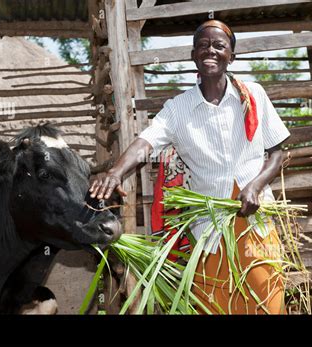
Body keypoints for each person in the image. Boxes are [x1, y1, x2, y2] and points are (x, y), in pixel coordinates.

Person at [89, 19, 291, 314]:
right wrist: (116, 171)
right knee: (215, 304)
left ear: (231, 56)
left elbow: (277, 154)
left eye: (219, 46)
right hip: (209, 230)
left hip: (256, 223)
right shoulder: (177, 109)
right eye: (203, 46)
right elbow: (146, 143)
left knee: (268, 300)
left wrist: (256, 185)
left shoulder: (255, 96)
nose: (211, 50)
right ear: (194, 55)